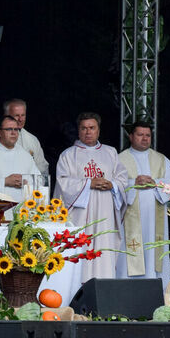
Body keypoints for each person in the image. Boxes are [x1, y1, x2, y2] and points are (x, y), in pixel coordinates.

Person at [55, 112, 128, 283]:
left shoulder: (111, 153)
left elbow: (123, 179)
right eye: (84, 128)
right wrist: (88, 184)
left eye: (92, 128)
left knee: (104, 253)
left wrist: (113, 185)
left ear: (98, 130)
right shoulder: (68, 155)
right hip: (80, 216)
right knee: (80, 253)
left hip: (105, 215)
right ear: (78, 131)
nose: (88, 132)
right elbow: (62, 183)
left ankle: (104, 290)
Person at [118, 121, 170, 288]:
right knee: (129, 255)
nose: (144, 139)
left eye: (148, 135)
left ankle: (156, 296)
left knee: (154, 255)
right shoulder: (120, 159)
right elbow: (113, 185)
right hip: (130, 219)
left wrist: (156, 183)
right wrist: (133, 183)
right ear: (131, 136)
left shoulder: (160, 159)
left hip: (155, 220)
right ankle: (127, 294)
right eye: (140, 135)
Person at [0, 98, 48, 175]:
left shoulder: (32, 140)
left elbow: (42, 169)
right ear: (6, 116)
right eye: (16, 115)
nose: (20, 119)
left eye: (23, 115)